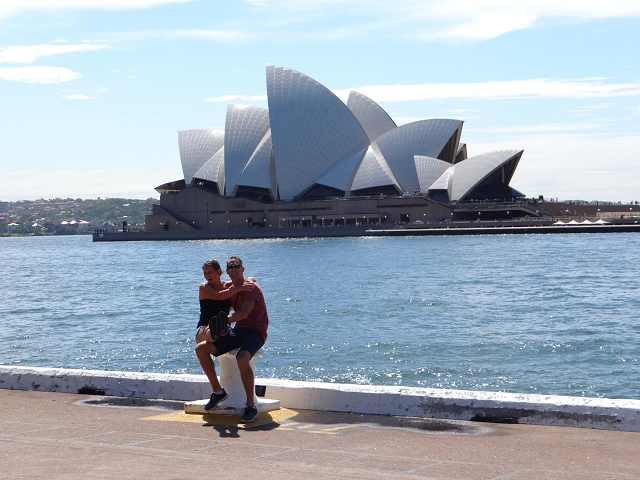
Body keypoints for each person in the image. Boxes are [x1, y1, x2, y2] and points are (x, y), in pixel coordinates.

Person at [195, 256, 269, 423]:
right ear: (227, 271)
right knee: (201, 348)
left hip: (256, 332)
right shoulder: (231, 288)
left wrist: (224, 321)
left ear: (243, 268)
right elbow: (220, 294)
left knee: (242, 358)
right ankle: (218, 392)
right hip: (239, 330)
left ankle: (250, 406)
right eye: (231, 267)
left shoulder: (251, 289)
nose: (234, 269)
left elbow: (243, 314)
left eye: (237, 266)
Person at [195, 259, 254, 345]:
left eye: (210, 272)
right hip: (205, 325)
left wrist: (250, 281)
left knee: (224, 328)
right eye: (205, 273)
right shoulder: (204, 287)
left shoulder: (228, 286)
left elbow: (249, 279)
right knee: (209, 334)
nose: (207, 276)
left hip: (224, 324)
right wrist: (241, 288)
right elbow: (219, 296)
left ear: (218, 271)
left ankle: (219, 329)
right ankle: (213, 331)